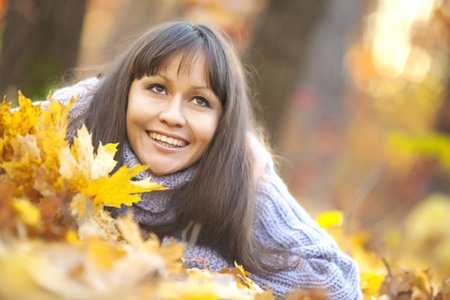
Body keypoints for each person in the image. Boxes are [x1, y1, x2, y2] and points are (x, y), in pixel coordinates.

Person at [51, 21, 362, 299]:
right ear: (125, 93)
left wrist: (189, 265)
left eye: (200, 101)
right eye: (157, 88)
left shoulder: (243, 177)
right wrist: (88, 99)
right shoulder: (83, 127)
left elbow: (341, 285)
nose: (172, 116)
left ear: (222, 123)